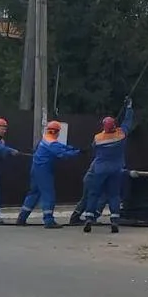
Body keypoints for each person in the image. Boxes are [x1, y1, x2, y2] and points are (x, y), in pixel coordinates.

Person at [16, 120, 84, 228]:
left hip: (35, 169)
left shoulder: (45, 139)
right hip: (44, 171)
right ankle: (48, 220)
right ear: (57, 132)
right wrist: (77, 152)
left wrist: (69, 147)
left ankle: (22, 218)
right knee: (48, 194)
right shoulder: (52, 143)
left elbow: (59, 147)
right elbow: (62, 155)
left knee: (33, 193)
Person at [82, 99, 134, 234]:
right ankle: (114, 220)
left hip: (99, 169)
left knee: (94, 193)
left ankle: (89, 217)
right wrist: (128, 107)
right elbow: (128, 123)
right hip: (116, 169)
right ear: (115, 126)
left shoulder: (98, 138)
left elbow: (93, 149)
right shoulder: (121, 134)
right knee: (114, 195)